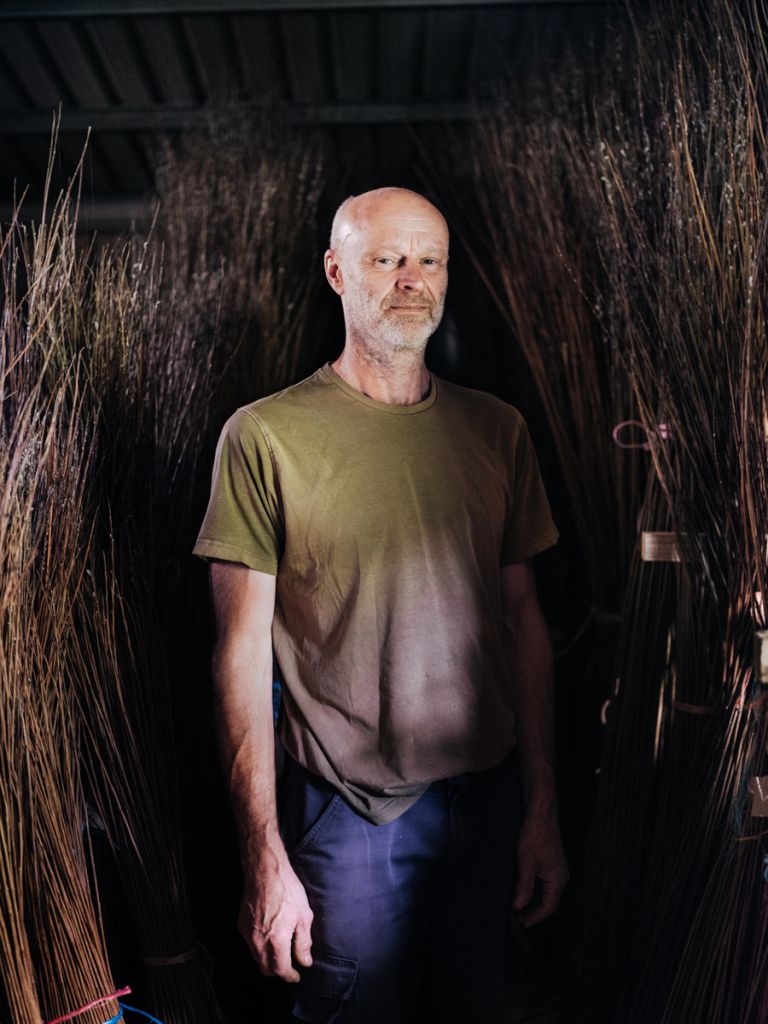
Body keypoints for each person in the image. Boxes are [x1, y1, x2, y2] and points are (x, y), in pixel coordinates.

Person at [193, 186, 569, 1023]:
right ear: (337, 271)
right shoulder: (265, 436)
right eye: (386, 258)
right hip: (351, 815)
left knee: (475, 1005)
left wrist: (542, 804)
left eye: (428, 260)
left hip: (488, 801)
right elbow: (241, 653)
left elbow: (525, 623)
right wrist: (264, 854)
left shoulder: (496, 430)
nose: (411, 280)